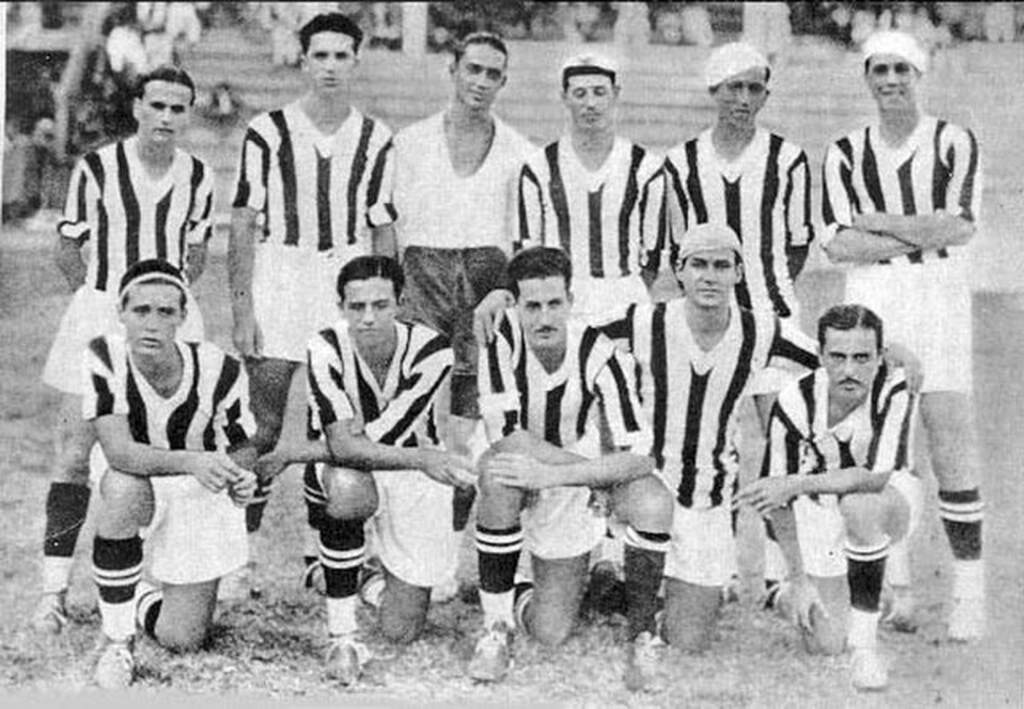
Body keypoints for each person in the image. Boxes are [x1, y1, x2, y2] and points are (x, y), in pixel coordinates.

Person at [33, 65, 215, 634]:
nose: (166, 117)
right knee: (74, 454)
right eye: (157, 105)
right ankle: (53, 591)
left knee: (167, 449)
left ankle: (156, 583)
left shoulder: (199, 176)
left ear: (188, 114)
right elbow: (68, 249)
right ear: (137, 107)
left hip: (168, 321)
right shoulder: (98, 167)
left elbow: (197, 257)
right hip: (101, 313)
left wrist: (163, 306)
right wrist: (102, 304)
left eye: (178, 108)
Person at [821, 30, 985, 641]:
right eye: (880, 69)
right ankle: (901, 590)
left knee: (948, 443)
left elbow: (960, 227)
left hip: (938, 298)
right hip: (871, 300)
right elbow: (840, 244)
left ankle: (970, 592)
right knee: (880, 447)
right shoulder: (844, 152)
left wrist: (879, 222)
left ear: (920, 75)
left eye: (901, 70)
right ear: (867, 77)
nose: (891, 80)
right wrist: (922, 231)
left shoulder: (952, 142)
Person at [229, 12, 397, 594]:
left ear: (355, 61)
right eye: (319, 55)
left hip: (345, 277)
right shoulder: (267, 131)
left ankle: (324, 551)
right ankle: (237, 555)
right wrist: (243, 306)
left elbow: (382, 227)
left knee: (343, 420)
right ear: (303, 60)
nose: (329, 66)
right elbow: (245, 222)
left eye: (340, 56)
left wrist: (383, 297)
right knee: (263, 423)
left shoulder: (376, 137)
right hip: (282, 271)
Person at [597, 223, 820, 652]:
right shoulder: (645, 321)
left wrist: (892, 353)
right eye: (698, 264)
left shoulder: (761, 332)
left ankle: (641, 583)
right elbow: (574, 337)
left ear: (739, 273)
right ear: (679, 271)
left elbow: (826, 356)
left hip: (708, 500)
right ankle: (625, 573)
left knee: (689, 641)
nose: (710, 275)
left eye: (722, 265)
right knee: (648, 512)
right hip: (647, 487)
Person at [253, 256, 475, 685]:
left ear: (401, 303)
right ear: (341, 307)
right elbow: (344, 449)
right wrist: (422, 457)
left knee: (401, 630)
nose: (369, 318)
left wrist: (314, 448)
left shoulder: (433, 349)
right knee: (349, 483)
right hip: (394, 464)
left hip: (412, 477)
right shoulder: (324, 346)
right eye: (357, 307)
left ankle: (363, 578)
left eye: (380, 305)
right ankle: (342, 636)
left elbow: (377, 436)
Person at [468, 247, 673, 692]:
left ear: (571, 301)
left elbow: (640, 457)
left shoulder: (600, 353)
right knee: (500, 472)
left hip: (564, 467)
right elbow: (507, 437)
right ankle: (496, 626)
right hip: (529, 460)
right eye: (532, 306)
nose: (544, 318)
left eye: (554, 304)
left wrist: (563, 476)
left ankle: (642, 635)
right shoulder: (499, 341)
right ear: (515, 305)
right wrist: (589, 473)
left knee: (552, 629)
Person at [663, 41, 816, 604]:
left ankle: (780, 570)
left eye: (755, 88)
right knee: (713, 440)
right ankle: (719, 565)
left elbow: (796, 246)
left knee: (784, 438)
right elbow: (679, 249)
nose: (744, 99)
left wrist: (763, 298)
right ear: (714, 91)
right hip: (711, 323)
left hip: (772, 318)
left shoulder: (789, 159)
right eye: (734, 87)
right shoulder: (680, 163)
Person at [391, 31, 535, 593]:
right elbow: (389, 233)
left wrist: (502, 293)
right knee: (421, 422)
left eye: (492, 74)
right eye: (472, 69)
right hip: (422, 284)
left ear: (503, 82)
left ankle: (485, 553)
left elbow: (523, 243)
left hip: (485, 292)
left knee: (480, 425)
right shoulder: (410, 143)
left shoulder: (519, 150)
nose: (480, 82)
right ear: (451, 70)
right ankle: (420, 555)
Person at [85, 259, 258, 689]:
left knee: (182, 639)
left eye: (166, 312)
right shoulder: (104, 355)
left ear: (183, 317)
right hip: (139, 474)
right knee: (123, 488)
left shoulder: (221, 368)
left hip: (194, 490)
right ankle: (117, 640)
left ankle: (135, 596)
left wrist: (241, 473)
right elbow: (120, 452)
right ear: (121, 314)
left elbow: (243, 444)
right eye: (141, 310)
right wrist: (194, 460)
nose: (152, 323)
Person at [735, 304, 922, 690]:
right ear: (819, 356)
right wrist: (800, 579)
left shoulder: (895, 386)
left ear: (879, 355)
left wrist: (799, 484)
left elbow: (874, 477)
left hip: (888, 500)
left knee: (860, 506)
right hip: (820, 512)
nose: (849, 370)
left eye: (861, 358)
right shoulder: (794, 399)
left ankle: (865, 650)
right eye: (837, 357)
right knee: (824, 641)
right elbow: (777, 497)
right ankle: (783, 591)